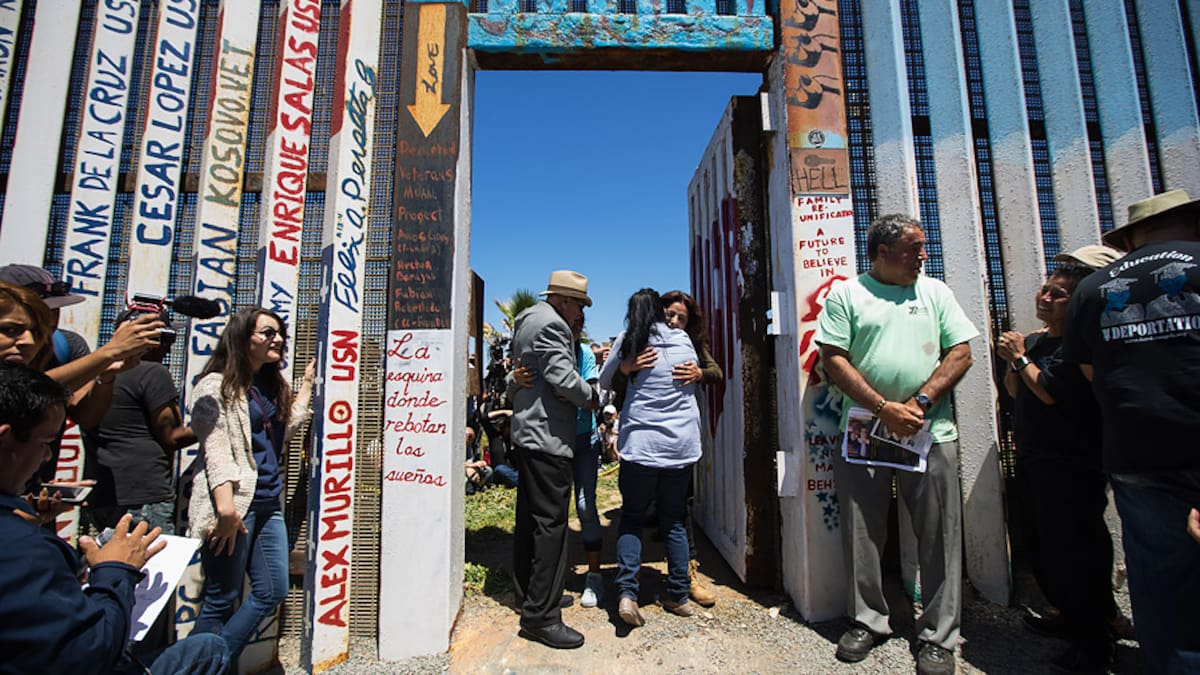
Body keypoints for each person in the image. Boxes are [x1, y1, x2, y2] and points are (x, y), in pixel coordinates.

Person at [815, 214, 977, 675]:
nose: (923, 255)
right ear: (883, 252)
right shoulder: (848, 294)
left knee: (940, 534)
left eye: (923, 246)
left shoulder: (935, 292)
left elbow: (961, 352)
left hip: (929, 431)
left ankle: (939, 636)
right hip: (864, 430)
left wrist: (919, 402)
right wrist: (884, 407)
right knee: (862, 531)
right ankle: (868, 620)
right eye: (914, 248)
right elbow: (833, 358)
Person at [0, 361, 228, 674]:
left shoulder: (23, 537)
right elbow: (92, 652)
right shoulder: (27, 550)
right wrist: (115, 571)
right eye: (45, 442)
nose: (47, 456)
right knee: (208, 650)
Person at [1062, 189, 1200, 673]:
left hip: (1138, 453)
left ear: (1132, 237)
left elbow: (1090, 373)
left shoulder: (1093, 288)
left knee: (1162, 587)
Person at [996, 263, 1119, 672]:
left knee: (1077, 551)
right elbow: (1016, 392)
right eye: (1044, 289)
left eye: (1058, 294)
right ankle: (1069, 617)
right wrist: (1015, 363)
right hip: (1035, 458)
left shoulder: (1077, 345)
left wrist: (1019, 358)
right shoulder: (1035, 342)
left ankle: (1095, 642)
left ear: (1077, 302)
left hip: (1072, 463)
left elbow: (1049, 392)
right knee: (1045, 545)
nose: (1045, 298)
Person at [186, 307, 314, 660]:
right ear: (243, 338)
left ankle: (211, 663)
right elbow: (216, 449)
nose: (278, 339)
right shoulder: (213, 386)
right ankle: (194, 666)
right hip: (234, 506)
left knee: (272, 590)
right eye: (268, 333)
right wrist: (226, 511)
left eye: (280, 333)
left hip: (268, 503)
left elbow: (281, 433)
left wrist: (305, 386)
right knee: (221, 599)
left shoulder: (268, 386)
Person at [598, 288, 703, 627]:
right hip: (680, 447)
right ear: (660, 311)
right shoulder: (683, 340)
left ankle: (627, 593)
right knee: (674, 520)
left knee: (631, 517)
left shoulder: (630, 339)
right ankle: (679, 595)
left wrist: (626, 367)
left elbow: (604, 381)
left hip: (641, 446)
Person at [507, 270, 597, 649]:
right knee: (551, 527)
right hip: (548, 437)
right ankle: (541, 616)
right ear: (562, 300)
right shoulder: (553, 325)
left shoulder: (527, 319)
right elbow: (563, 378)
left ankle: (530, 595)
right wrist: (591, 396)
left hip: (527, 435)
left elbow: (526, 376)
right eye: (578, 304)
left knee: (530, 521)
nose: (580, 312)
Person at [84, 309, 195, 534]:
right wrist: (212, 423)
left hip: (103, 494)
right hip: (144, 495)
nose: (169, 347)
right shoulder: (153, 373)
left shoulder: (95, 373)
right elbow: (171, 438)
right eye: (166, 338)